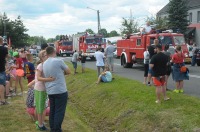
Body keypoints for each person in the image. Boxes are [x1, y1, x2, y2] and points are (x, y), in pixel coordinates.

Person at [43, 46, 71, 132]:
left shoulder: (44, 63)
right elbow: (68, 71)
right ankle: (57, 129)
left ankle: (53, 128)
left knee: (53, 110)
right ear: (54, 52)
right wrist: (61, 73)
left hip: (50, 90)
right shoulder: (58, 61)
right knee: (60, 111)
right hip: (60, 89)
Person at [34, 50, 55, 131]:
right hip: (40, 89)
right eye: (45, 55)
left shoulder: (46, 65)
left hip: (44, 89)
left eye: (47, 54)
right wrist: (49, 79)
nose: (47, 56)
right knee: (40, 107)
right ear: (42, 57)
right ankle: (40, 124)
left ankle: (41, 122)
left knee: (42, 107)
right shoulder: (40, 65)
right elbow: (38, 78)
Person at [0, 36, 9, 105]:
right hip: (1, 68)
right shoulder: (4, 49)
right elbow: (7, 57)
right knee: (1, 84)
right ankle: (2, 100)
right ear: (2, 41)